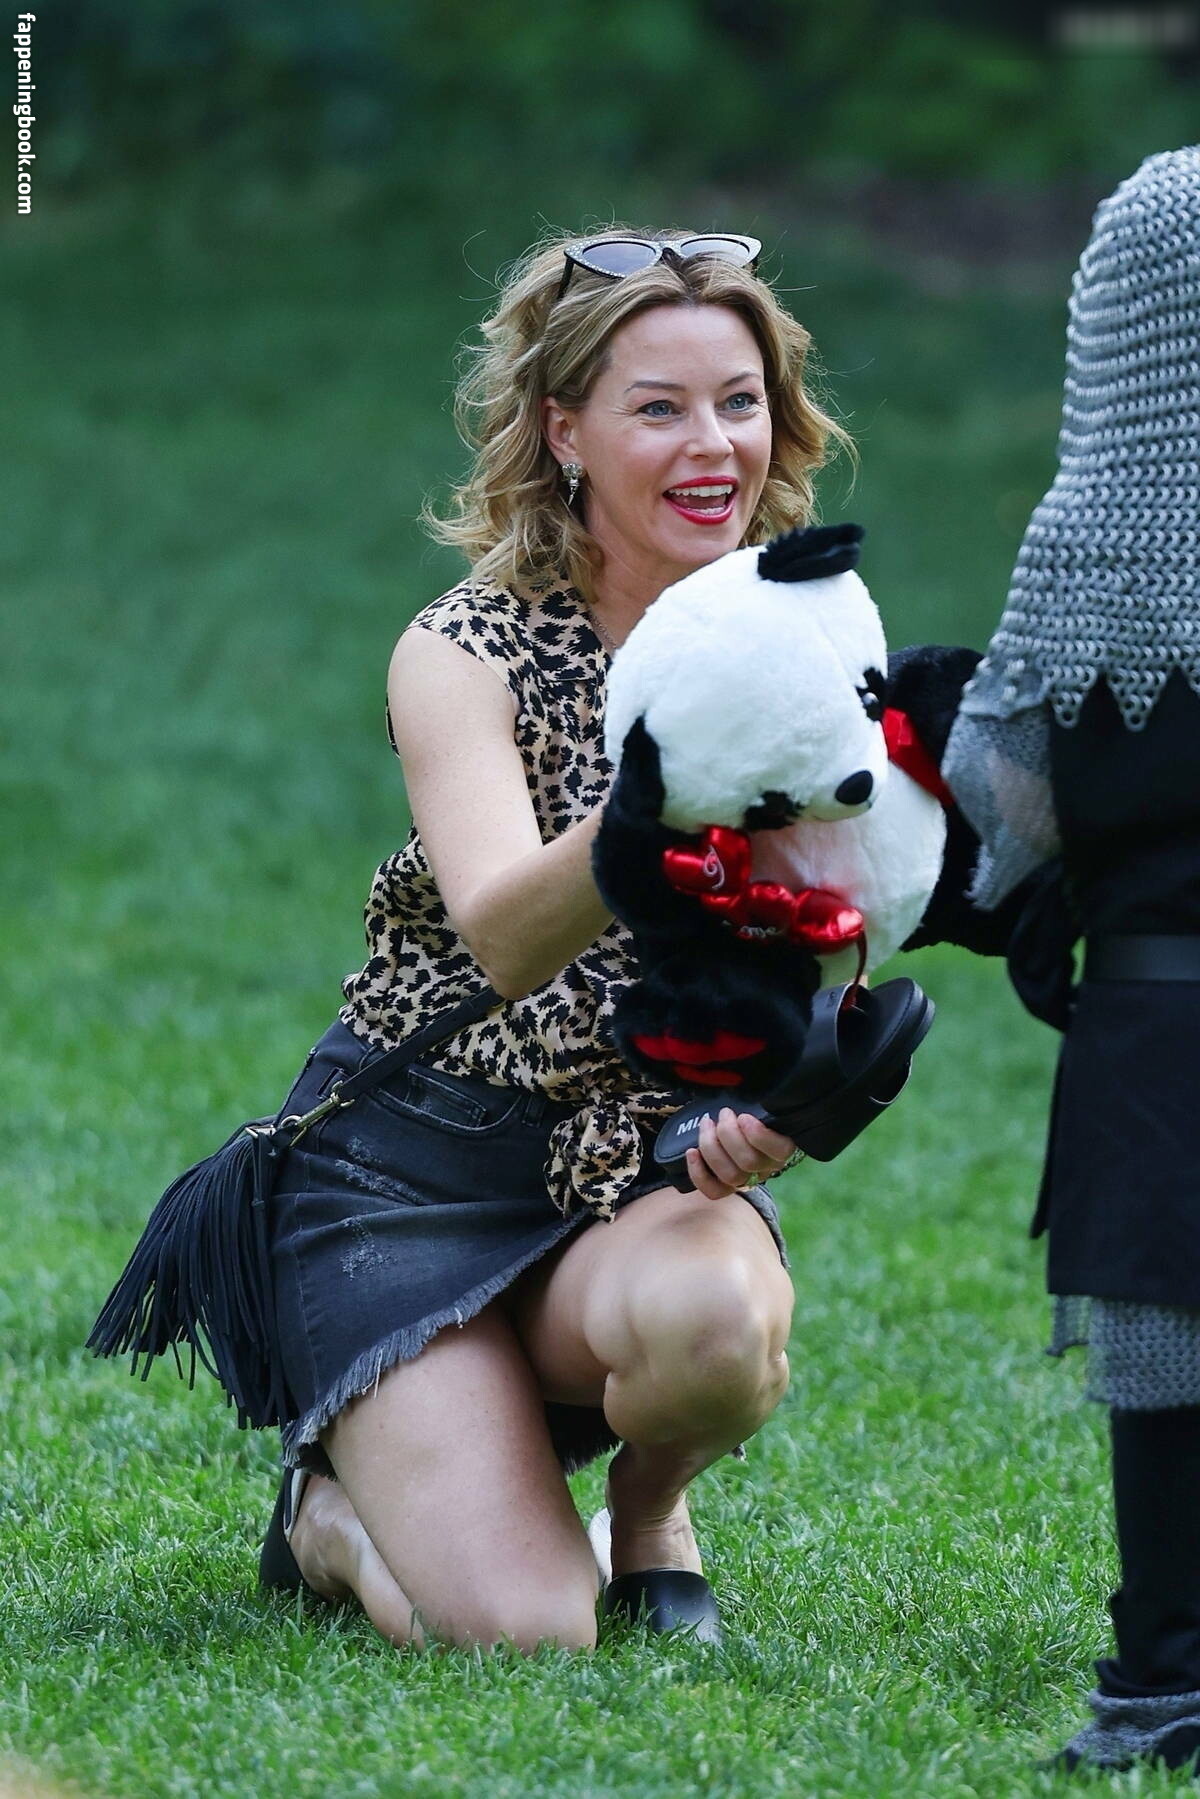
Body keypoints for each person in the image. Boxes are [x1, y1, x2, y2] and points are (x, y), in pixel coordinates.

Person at [106, 230, 855, 1654]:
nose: (714, 446)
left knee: (717, 1327)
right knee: (525, 1635)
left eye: (740, 401)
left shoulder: (801, 639)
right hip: (410, 1173)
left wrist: (795, 1082)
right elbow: (509, 936)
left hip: (628, 1170)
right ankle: (330, 1515)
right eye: (659, 408)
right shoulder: (464, 650)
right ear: (565, 432)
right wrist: (670, 782)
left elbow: (834, 926)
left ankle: (649, 1516)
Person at [943, 146, 1200, 1773]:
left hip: (1164, 1031)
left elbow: (1000, 812)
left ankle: (1171, 1673)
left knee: (1171, 1342)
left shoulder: (1087, 560)